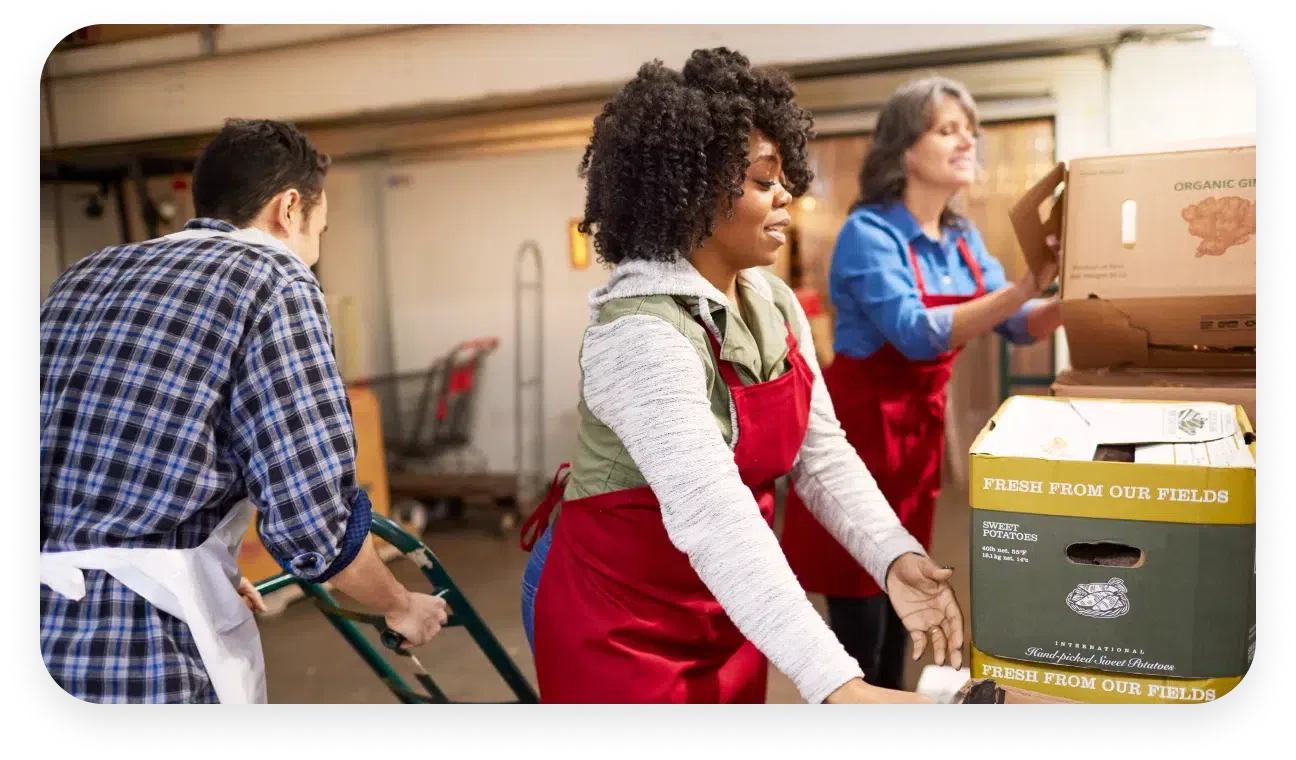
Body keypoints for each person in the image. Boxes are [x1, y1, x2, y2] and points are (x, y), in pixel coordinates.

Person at [516, 48, 964, 705]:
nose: (787, 194)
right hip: (619, 624)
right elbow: (714, 517)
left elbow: (820, 455)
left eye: (785, 175)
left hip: (725, 604)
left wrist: (892, 555)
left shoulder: (773, 304)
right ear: (691, 194)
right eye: (762, 178)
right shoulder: (640, 336)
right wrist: (839, 683)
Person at [38, 118, 449, 704]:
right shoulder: (274, 280)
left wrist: (202, 575)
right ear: (288, 208)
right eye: (320, 230)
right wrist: (401, 606)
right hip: (143, 652)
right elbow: (313, 523)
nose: (314, 250)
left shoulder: (84, 276)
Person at [778, 76, 1062, 691]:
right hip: (855, 436)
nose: (968, 141)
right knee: (860, 631)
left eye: (971, 130)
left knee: (904, 606)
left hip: (915, 438)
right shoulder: (868, 234)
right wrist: (1021, 287)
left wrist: (1080, 295)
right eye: (947, 129)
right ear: (905, 147)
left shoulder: (960, 237)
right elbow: (914, 331)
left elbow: (1019, 322)